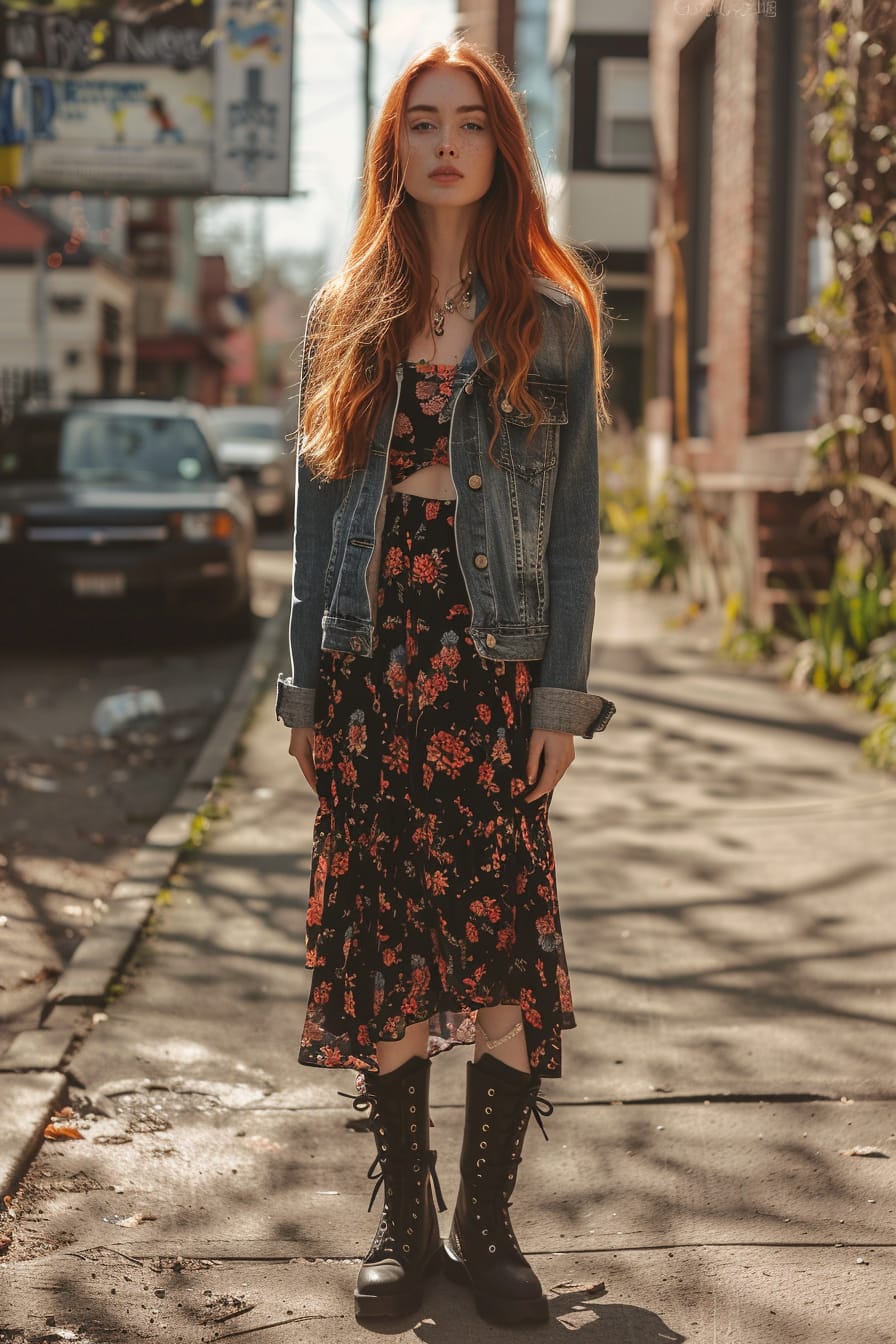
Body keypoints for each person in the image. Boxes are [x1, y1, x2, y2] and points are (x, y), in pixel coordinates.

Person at [275, 38, 616, 1326]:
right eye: (422, 121)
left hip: (488, 665)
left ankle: (488, 1228)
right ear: (395, 149)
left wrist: (559, 701)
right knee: (386, 943)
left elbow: (575, 528)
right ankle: (405, 1225)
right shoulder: (341, 313)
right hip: (371, 660)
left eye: (470, 120)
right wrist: (306, 694)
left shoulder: (555, 318)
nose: (447, 141)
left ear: (501, 147)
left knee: (502, 943)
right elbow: (316, 525)